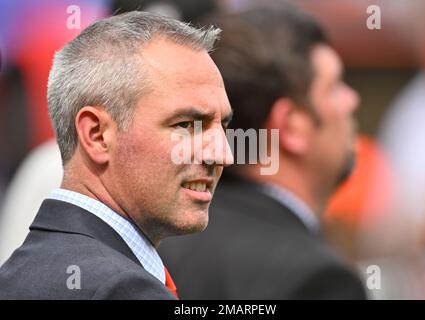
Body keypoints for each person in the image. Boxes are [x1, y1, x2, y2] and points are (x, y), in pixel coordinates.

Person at [0, 11, 233, 299]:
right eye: (185, 124)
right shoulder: (123, 290)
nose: (222, 154)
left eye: (223, 125)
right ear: (96, 135)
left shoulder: (19, 274)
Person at [160, 5, 367, 299]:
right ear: (292, 125)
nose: (352, 100)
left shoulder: (160, 246)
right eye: (334, 87)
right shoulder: (318, 279)